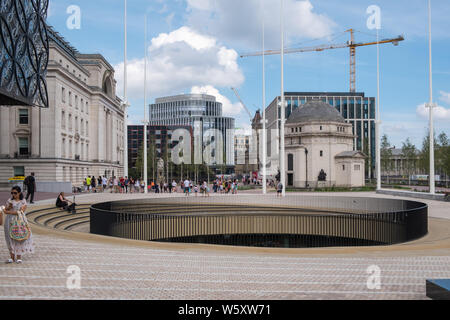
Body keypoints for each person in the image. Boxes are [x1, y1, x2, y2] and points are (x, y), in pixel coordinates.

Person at [3, 186, 34, 264]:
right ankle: (12, 257)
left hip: (19, 221)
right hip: (9, 221)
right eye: (12, 193)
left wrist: (9, 212)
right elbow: (5, 210)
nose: (13, 194)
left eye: (15, 193)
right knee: (10, 238)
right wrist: (8, 207)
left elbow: (21, 211)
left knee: (19, 237)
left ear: (19, 193)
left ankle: (19, 257)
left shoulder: (23, 201)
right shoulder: (10, 200)